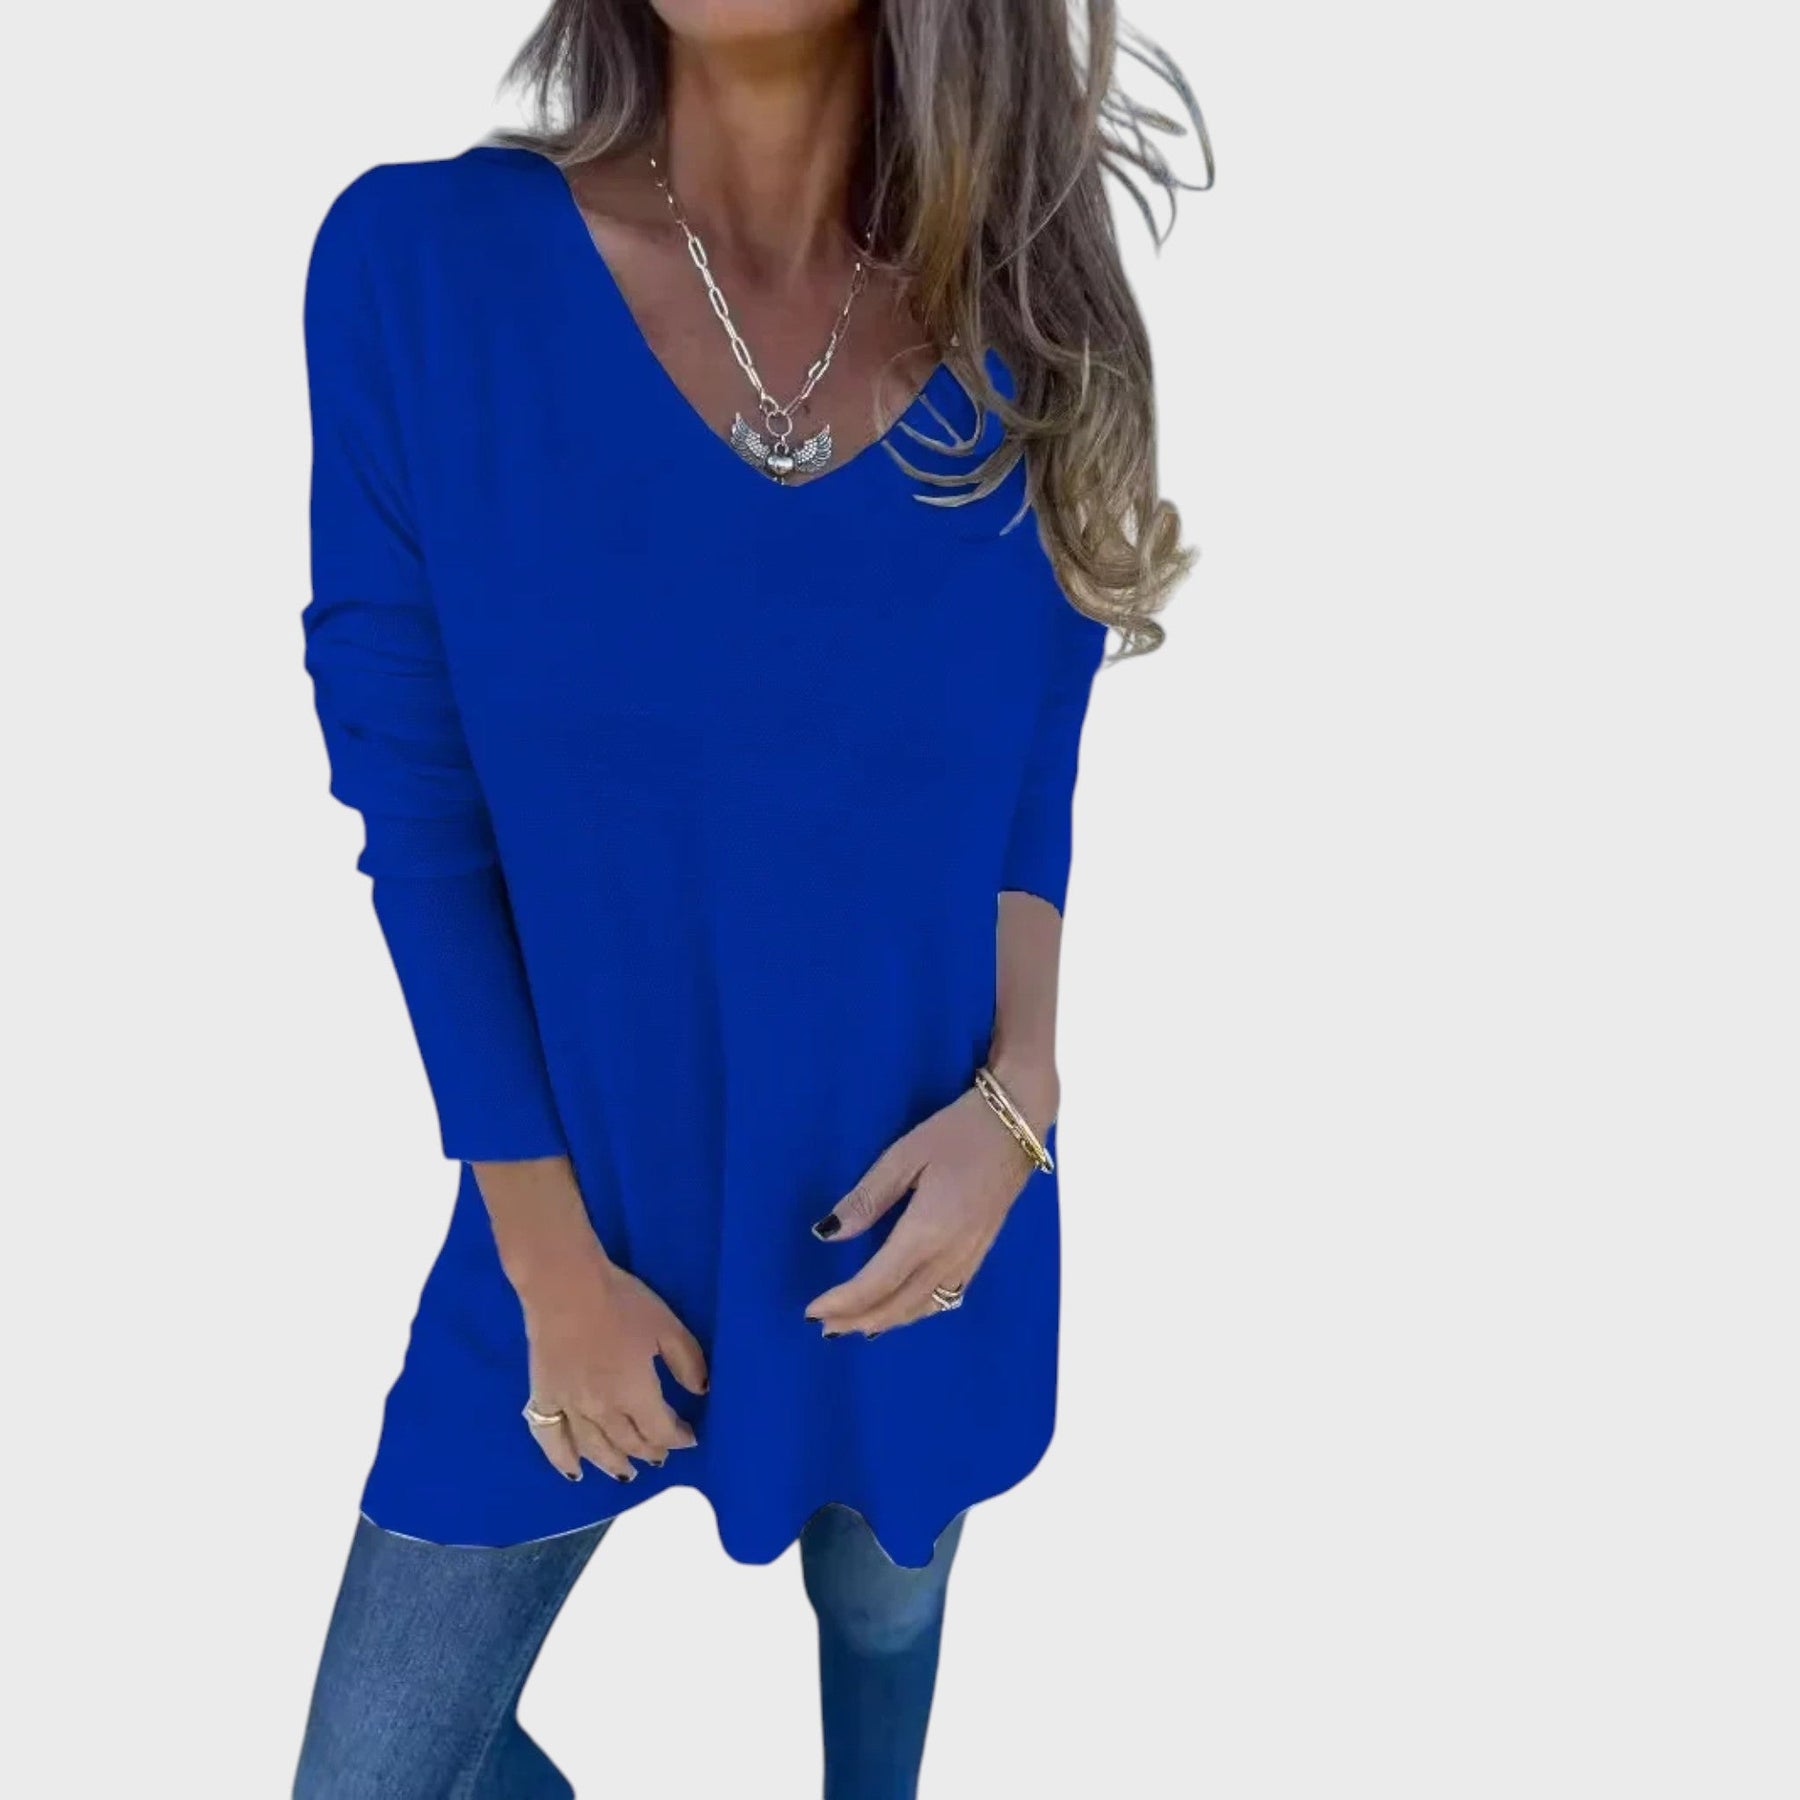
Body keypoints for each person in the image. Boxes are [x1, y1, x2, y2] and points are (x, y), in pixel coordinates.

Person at [292, 2, 1209, 1794]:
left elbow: (1029, 770)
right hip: (569, 1235)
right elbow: (420, 812)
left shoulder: (1025, 325)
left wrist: (1019, 1104)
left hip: (915, 1213)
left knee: (882, 1612)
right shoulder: (424, 270)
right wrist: (549, 1269)